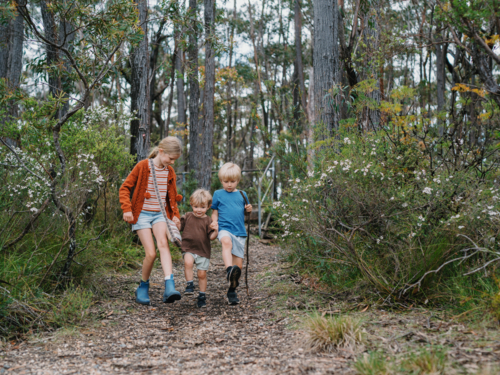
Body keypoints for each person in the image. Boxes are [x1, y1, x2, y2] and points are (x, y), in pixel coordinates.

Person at [119, 137, 183, 305]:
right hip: (141, 215)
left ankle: (170, 285)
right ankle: (143, 286)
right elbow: (125, 188)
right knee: (151, 253)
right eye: (171, 158)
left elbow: (172, 198)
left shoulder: (170, 172)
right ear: (161, 152)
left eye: (174, 160)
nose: (172, 162)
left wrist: (175, 215)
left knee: (163, 244)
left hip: (160, 215)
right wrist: (127, 209)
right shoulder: (143, 166)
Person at [211, 163, 252, 305]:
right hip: (224, 229)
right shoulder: (218, 194)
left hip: (239, 231)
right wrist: (214, 223)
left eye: (232, 182)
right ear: (221, 180)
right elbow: (215, 211)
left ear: (238, 181)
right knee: (226, 243)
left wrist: (249, 210)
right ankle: (229, 270)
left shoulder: (242, 194)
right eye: (226, 181)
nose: (229, 184)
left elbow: (246, 213)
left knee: (238, 268)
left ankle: (232, 290)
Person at [180, 189, 218, 308]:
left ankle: (202, 295)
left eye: (202, 207)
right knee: (188, 262)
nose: (199, 210)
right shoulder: (187, 216)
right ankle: (190, 284)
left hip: (203, 250)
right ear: (191, 205)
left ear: (208, 207)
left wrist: (216, 230)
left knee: (202, 274)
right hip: (188, 247)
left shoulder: (208, 221)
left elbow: (211, 237)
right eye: (196, 207)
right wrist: (176, 222)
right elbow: (179, 227)